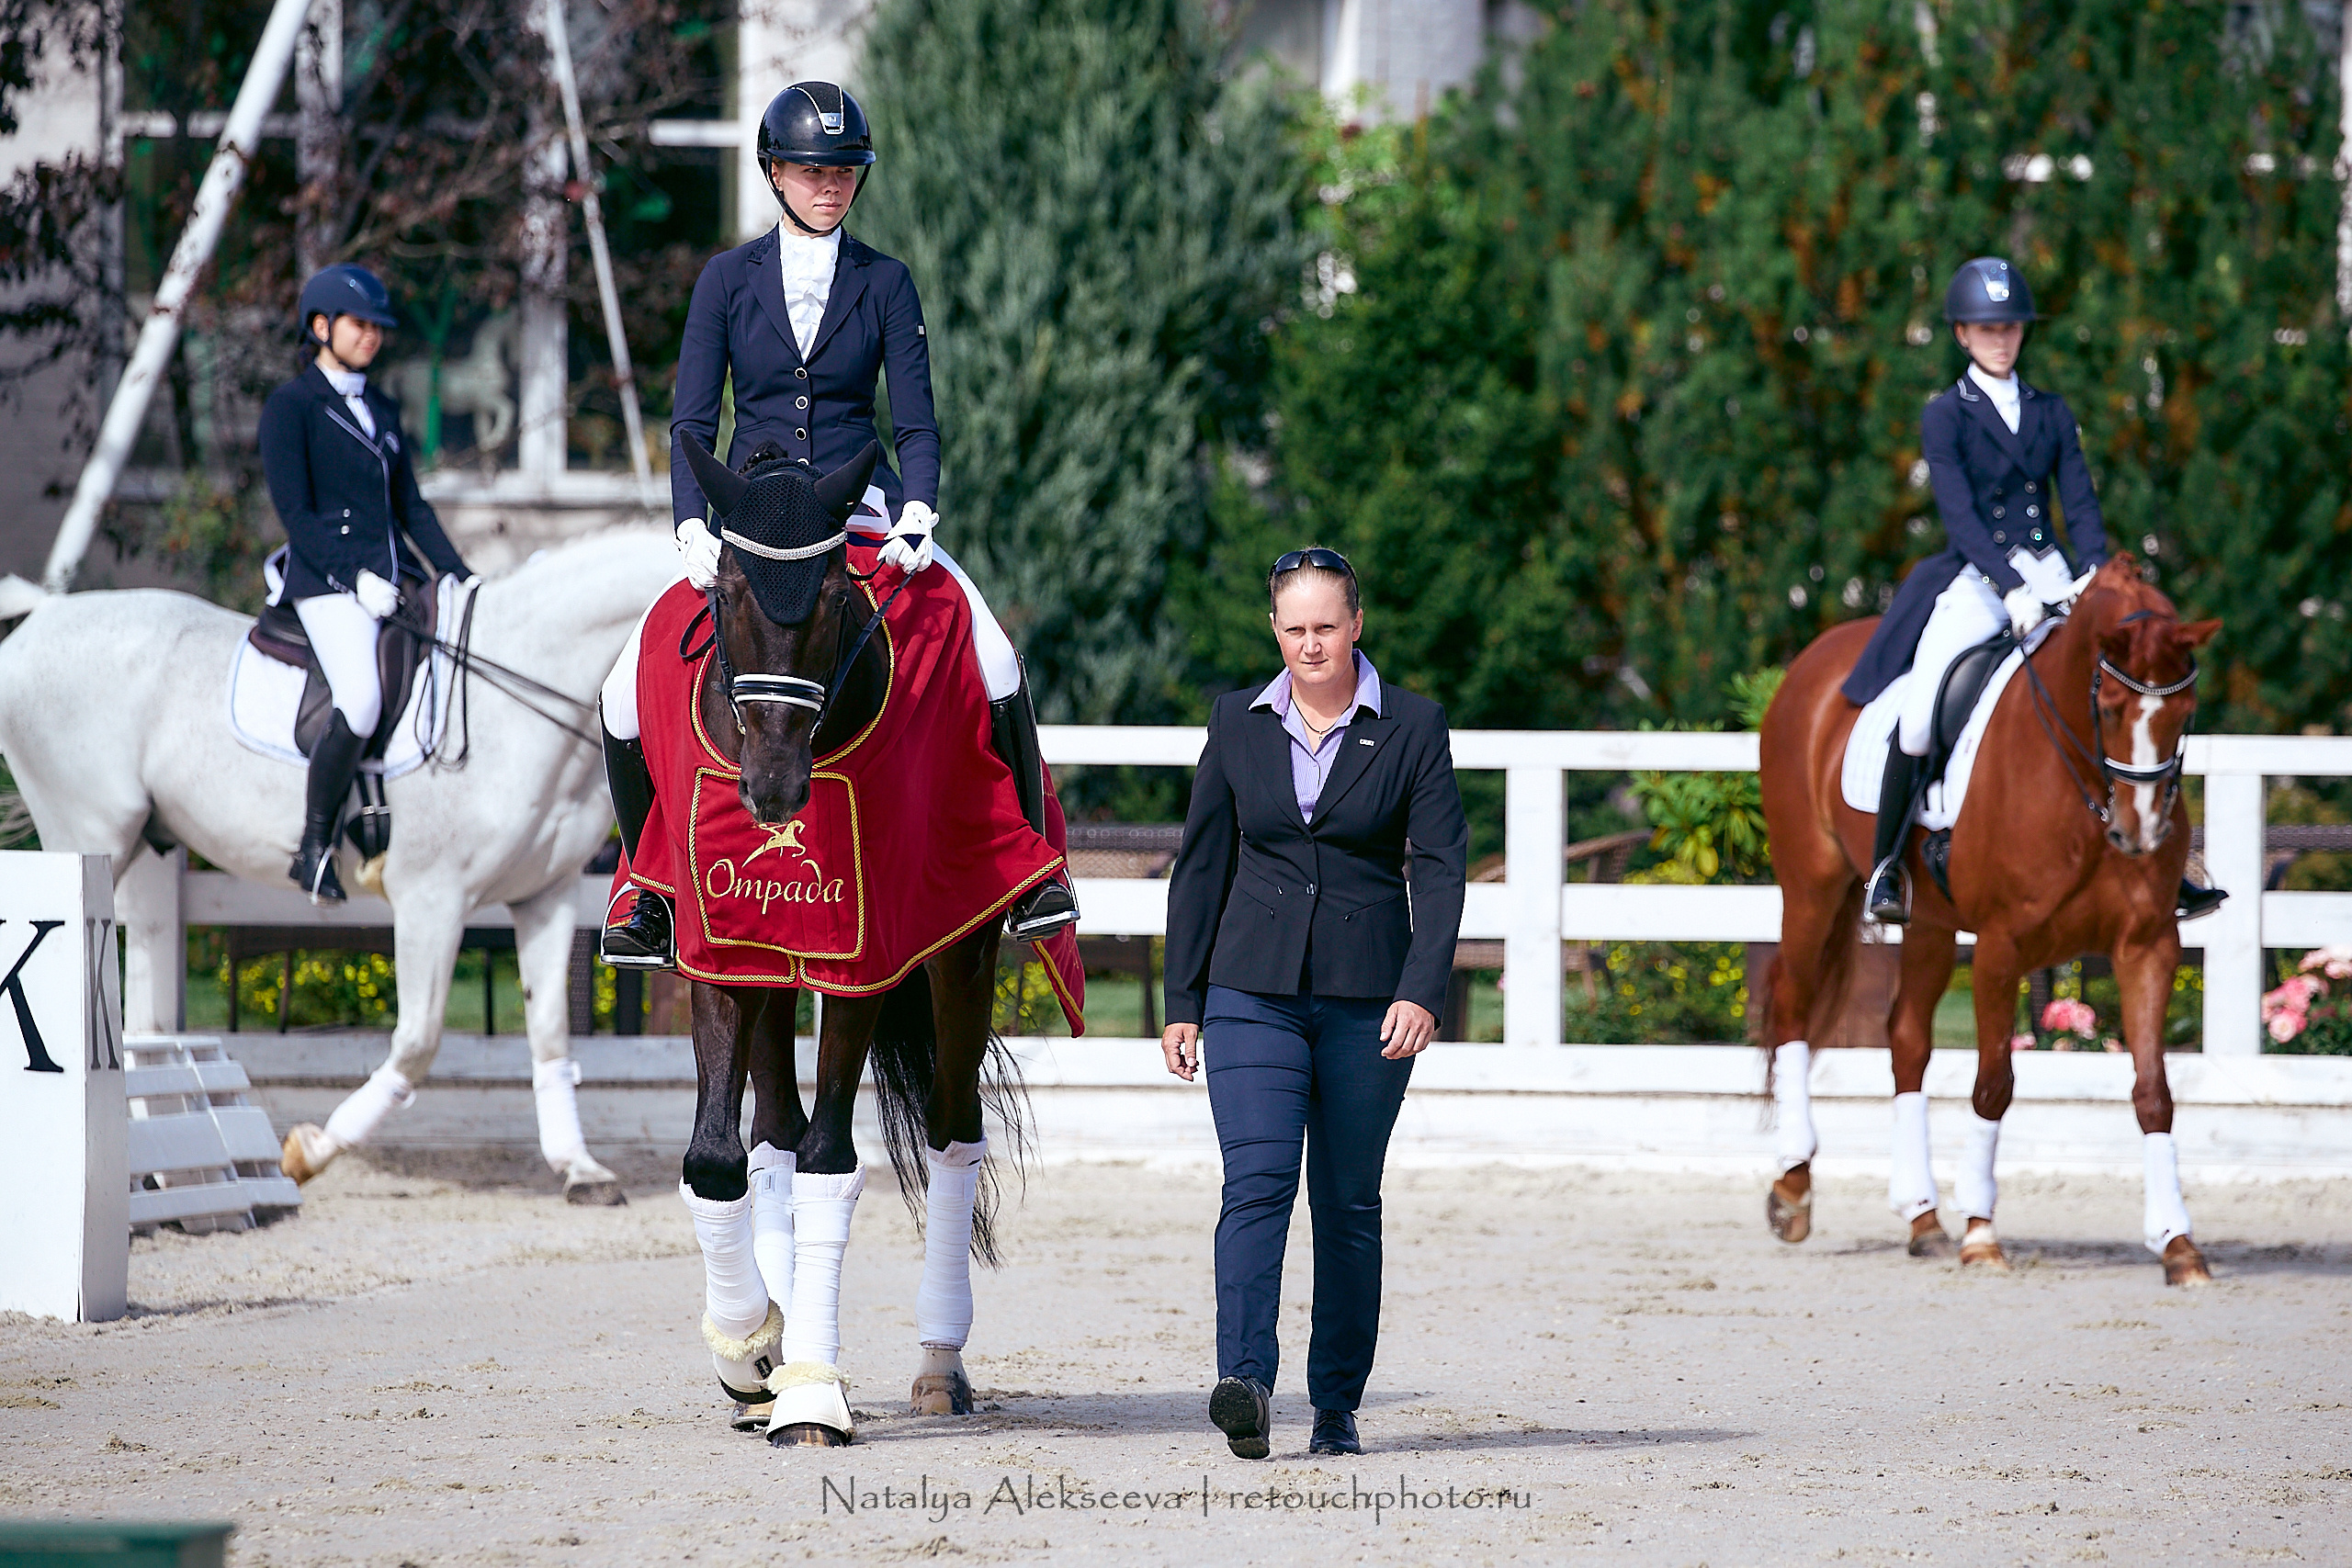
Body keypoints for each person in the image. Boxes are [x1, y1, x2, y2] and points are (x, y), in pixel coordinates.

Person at [598, 80, 1076, 970]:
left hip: (861, 501)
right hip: (751, 512)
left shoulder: (885, 280)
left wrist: (921, 504)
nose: (831, 187)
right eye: (814, 171)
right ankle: (650, 893)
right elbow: (693, 423)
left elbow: (918, 421)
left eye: (845, 171)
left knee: (992, 653)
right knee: (623, 688)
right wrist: (690, 525)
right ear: (776, 172)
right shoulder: (725, 279)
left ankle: (1031, 870)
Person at [1159, 547, 1467, 1460]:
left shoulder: (1412, 726)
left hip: (1368, 1003)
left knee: (1345, 1205)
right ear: (1274, 630)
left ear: (1356, 624)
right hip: (1248, 993)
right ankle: (1246, 1384)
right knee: (1254, 1186)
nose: (1308, 645)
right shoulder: (1236, 723)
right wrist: (1182, 999)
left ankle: (1335, 1406)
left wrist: (1423, 990)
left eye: (1324, 627)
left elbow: (1442, 868)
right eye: (1292, 629)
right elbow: (1202, 864)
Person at [1843, 255, 2223, 924]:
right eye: (1987, 328)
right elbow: (1960, 516)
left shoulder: (2050, 411)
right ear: (1962, 334)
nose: (2000, 338)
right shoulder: (1946, 414)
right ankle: (1887, 867)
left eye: (2010, 327)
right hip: (1977, 579)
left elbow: (2078, 501)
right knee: (1921, 710)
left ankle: (2169, 862)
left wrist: (2098, 576)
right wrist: (2010, 585)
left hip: (2055, 572)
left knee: (2131, 694)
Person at [257, 264, 474, 903]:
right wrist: (355, 579)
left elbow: (411, 508)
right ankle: (315, 845)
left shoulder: (379, 405)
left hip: (392, 578)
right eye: (359, 325)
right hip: (326, 583)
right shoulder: (290, 407)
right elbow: (297, 517)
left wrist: (459, 574)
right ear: (320, 326)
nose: (372, 336)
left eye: (378, 327)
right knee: (360, 698)